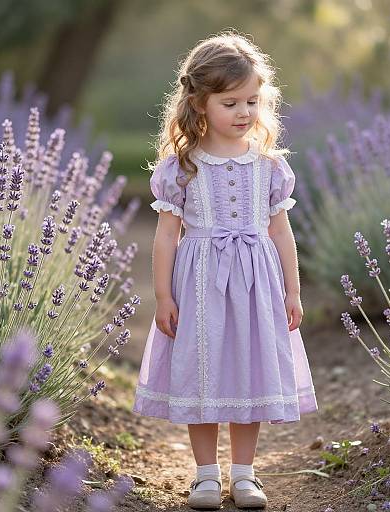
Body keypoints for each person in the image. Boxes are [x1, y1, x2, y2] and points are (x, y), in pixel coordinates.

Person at [132, 30, 318, 510]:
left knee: (248, 371)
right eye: (230, 102)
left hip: (258, 285)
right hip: (198, 285)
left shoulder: (269, 166)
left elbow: (280, 233)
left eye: (252, 102)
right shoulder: (184, 167)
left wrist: (293, 291)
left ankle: (244, 474)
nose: (243, 113)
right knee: (203, 371)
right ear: (199, 105)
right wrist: (164, 295)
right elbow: (166, 236)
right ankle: (206, 476)